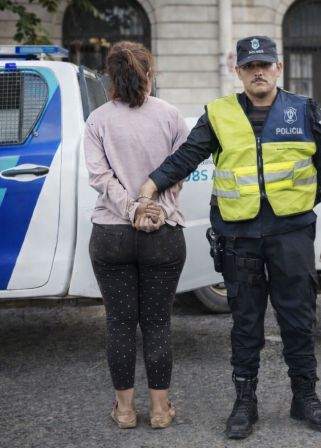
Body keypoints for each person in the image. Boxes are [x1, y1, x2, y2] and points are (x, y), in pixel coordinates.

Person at [137, 36, 321, 439]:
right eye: (250, 66)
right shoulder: (219, 114)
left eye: (265, 64)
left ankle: (305, 398)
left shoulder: (304, 110)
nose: (258, 71)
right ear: (239, 71)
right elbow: (185, 158)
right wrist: (149, 188)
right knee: (245, 324)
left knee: (298, 321)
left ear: (279, 68)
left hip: (292, 235)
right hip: (240, 238)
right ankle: (244, 403)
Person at [85, 41, 188, 429]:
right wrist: (155, 207)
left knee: (120, 322)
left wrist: (130, 209)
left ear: (109, 77)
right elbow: (179, 169)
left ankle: (125, 411)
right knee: (158, 322)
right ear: (151, 72)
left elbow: (99, 177)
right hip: (162, 232)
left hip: (112, 232)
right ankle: (160, 411)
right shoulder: (172, 116)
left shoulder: (97, 120)